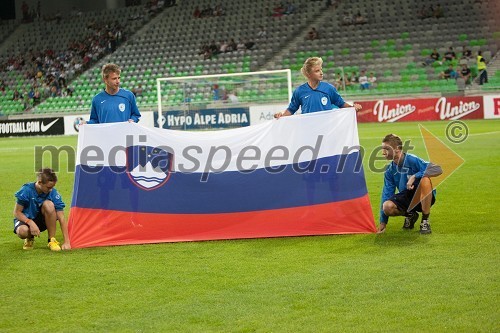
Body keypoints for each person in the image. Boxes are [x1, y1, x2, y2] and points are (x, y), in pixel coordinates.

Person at [377, 134, 442, 234]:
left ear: (397, 149)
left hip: (424, 197)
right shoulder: (389, 170)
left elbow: (437, 169)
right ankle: (410, 214)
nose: (383, 153)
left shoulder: (412, 160)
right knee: (387, 207)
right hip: (407, 198)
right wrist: (383, 222)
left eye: (386, 149)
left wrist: (415, 176)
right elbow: (387, 194)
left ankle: (425, 221)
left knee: (425, 179)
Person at [274, 57, 362, 119]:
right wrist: (281, 115)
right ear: (309, 74)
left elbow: (341, 104)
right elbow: (291, 109)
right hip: (308, 131)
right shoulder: (299, 91)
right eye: (317, 71)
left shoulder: (329, 88)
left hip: (327, 130)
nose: (321, 73)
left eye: (321, 69)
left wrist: (353, 108)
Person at [13, 168, 70, 251]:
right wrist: (30, 222)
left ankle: (52, 240)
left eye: (53, 187)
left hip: (44, 221)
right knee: (22, 231)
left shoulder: (53, 193)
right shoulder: (26, 190)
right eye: (48, 187)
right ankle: (29, 238)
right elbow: (17, 212)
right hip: (26, 220)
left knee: (49, 204)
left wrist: (67, 241)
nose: (51, 190)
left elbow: (61, 217)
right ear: (39, 182)